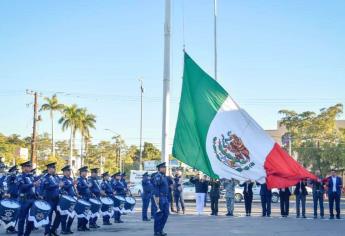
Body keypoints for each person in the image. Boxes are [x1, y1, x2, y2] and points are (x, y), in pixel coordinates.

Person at [17, 161, 40, 236]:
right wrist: (33, 184)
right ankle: (20, 234)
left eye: (30, 166)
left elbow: (33, 188)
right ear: (23, 168)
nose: (30, 168)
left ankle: (27, 234)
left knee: (31, 219)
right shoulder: (20, 176)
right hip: (24, 199)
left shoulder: (31, 176)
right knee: (22, 219)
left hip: (32, 199)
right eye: (28, 166)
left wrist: (36, 189)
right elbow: (22, 187)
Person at [42, 162, 61, 236]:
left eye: (54, 168)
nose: (54, 169)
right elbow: (47, 187)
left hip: (56, 199)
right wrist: (57, 185)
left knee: (59, 214)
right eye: (52, 168)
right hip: (49, 199)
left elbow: (59, 186)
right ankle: (47, 232)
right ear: (48, 169)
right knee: (48, 216)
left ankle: (53, 229)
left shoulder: (56, 177)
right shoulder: (45, 177)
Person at [153, 162, 169, 236]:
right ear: (159, 169)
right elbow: (156, 187)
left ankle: (160, 229)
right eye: (163, 167)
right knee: (159, 215)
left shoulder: (164, 176)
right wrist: (157, 198)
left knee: (165, 214)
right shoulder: (158, 176)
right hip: (160, 197)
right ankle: (157, 231)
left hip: (165, 197)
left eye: (165, 167)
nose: (165, 168)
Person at [60, 165, 77, 234]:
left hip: (72, 199)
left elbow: (73, 189)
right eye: (67, 171)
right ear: (64, 172)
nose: (69, 172)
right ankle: (63, 229)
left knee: (72, 215)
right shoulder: (62, 179)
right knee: (64, 215)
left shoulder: (70, 179)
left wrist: (76, 193)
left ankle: (68, 228)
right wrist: (72, 184)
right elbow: (64, 187)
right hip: (66, 199)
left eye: (69, 171)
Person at [77, 166, 92, 231]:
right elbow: (79, 187)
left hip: (88, 197)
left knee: (87, 212)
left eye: (86, 172)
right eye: (85, 172)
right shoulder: (79, 179)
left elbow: (88, 188)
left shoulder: (86, 179)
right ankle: (80, 226)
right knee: (81, 212)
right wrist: (87, 185)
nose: (86, 173)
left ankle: (84, 225)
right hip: (82, 197)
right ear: (81, 172)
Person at [6, 165, 19, 234]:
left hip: (16, 197)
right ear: (11, 171)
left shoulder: (15, 177)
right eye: (15, 170)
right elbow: (7, 185)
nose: (16, 171)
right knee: (12, 214)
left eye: (16, 170)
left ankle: (11, 228)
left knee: (15, 214)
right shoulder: (10, 177)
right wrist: (12, 175)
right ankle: (10, 228)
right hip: (12, 197)